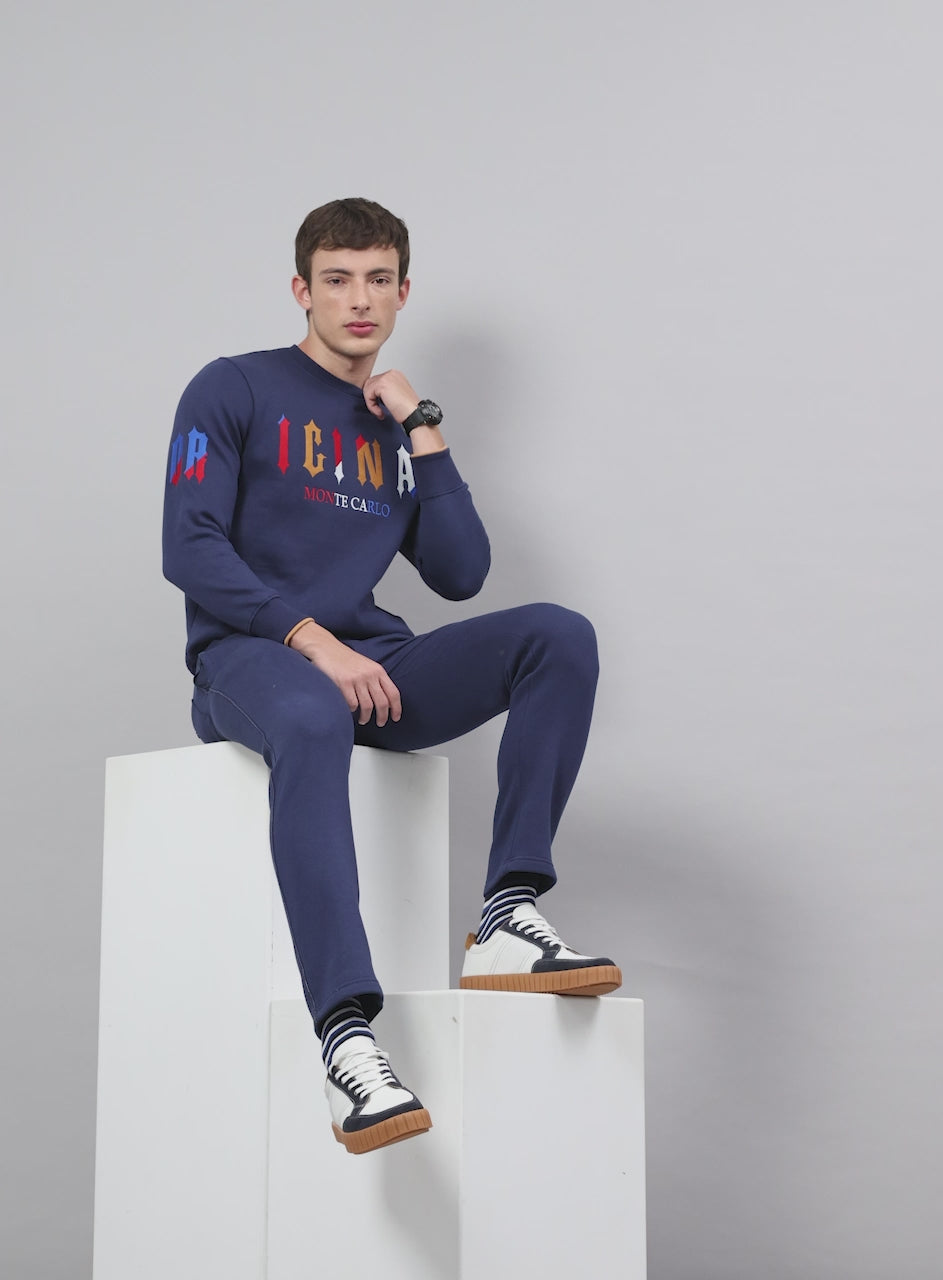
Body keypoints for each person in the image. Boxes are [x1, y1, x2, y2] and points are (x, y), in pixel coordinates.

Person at [162, 197, 621, 1156]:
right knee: (312, 717)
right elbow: (189, 546)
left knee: (558, 635)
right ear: (302, 290)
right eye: (338, 280)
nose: (359, 300)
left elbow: (462, 573)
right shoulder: (232, 388)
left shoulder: (392, 425)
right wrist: (311, 641)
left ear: (404, 293)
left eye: (378, 280)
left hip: (373, 660)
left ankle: (507, 912)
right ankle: (346, 1039)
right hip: (249, 659)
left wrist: (422, 424)